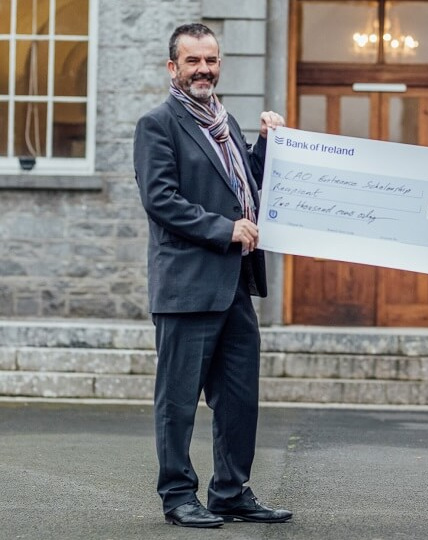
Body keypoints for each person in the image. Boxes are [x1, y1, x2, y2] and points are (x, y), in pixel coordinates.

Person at [133, 23, 291, 529]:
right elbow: (161, 201)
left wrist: (267, 144)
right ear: (172, 67)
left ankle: (230, 491)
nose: (204, 69)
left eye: (211, 61)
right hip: (187, 286)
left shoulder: (225, 121)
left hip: (236, 285)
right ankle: (178, 495)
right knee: (178, 401)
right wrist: (226, 229)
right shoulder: (157, 124)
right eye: (193, 61)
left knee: (241, 397)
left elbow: (246, 184)